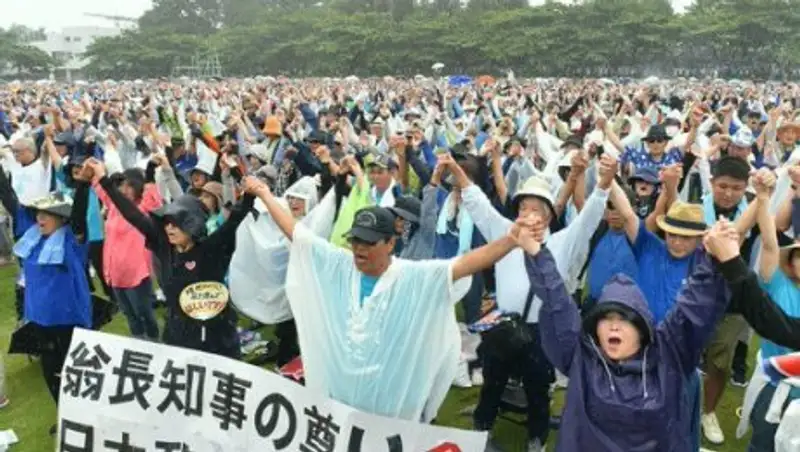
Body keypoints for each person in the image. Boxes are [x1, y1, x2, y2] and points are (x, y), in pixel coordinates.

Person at [250, 175, 522, 422]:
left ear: (391, 243)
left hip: (388, 389)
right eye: (355, 240)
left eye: (369, 242)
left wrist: (510, 240)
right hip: (342, 385)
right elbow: (298, 234)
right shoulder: (340, 265)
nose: (359, 248)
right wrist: (264, 194)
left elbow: (465, 264)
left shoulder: (411, 277)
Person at [521, 217, 740, 451]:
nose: (614, 326)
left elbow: (694, 309)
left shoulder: (668, 359)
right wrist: (536, 250)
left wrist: (718, 258)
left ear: (643, 329)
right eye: (606, 319)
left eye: (625, 319)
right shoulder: (582, 358)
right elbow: (557, 301)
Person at [85, 158, 254, 358]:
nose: (169, 228)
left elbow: (235, 217)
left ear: (193, 224)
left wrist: (249, 192)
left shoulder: (213, 249)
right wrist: (104, 180)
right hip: (179, 337)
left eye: (176, 223)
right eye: (167, 223)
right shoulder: (164, 246)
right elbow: (133, 215)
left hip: (219, 340)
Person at [11, 182, 90, 435]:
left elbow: (78, 217)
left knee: (75, 373)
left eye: (46, 214)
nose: (40, 218)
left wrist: (85, 183)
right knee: (50, 372)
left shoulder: (70, 241)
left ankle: (85, 419)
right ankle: (65, 417)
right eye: (38, 213)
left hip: (68, 321)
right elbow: (9, 198)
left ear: (61, 218)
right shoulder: (32, 239)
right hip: (40, 320)